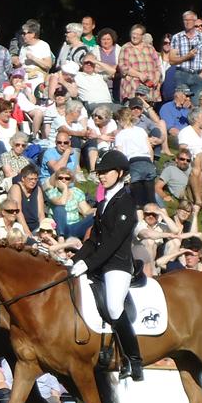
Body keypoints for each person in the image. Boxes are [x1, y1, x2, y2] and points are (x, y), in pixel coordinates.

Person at [68, 149, 143, 381]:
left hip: (117, 265)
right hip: (100, 264)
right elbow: (93, 241)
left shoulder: (127, 202)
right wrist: (74, 261)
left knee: (113, 306)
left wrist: (88, 264)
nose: (101, 176)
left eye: (106, 172)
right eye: (99, 172)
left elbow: (112, 243)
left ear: (119, 173)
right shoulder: (102, 205)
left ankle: (134, 360)